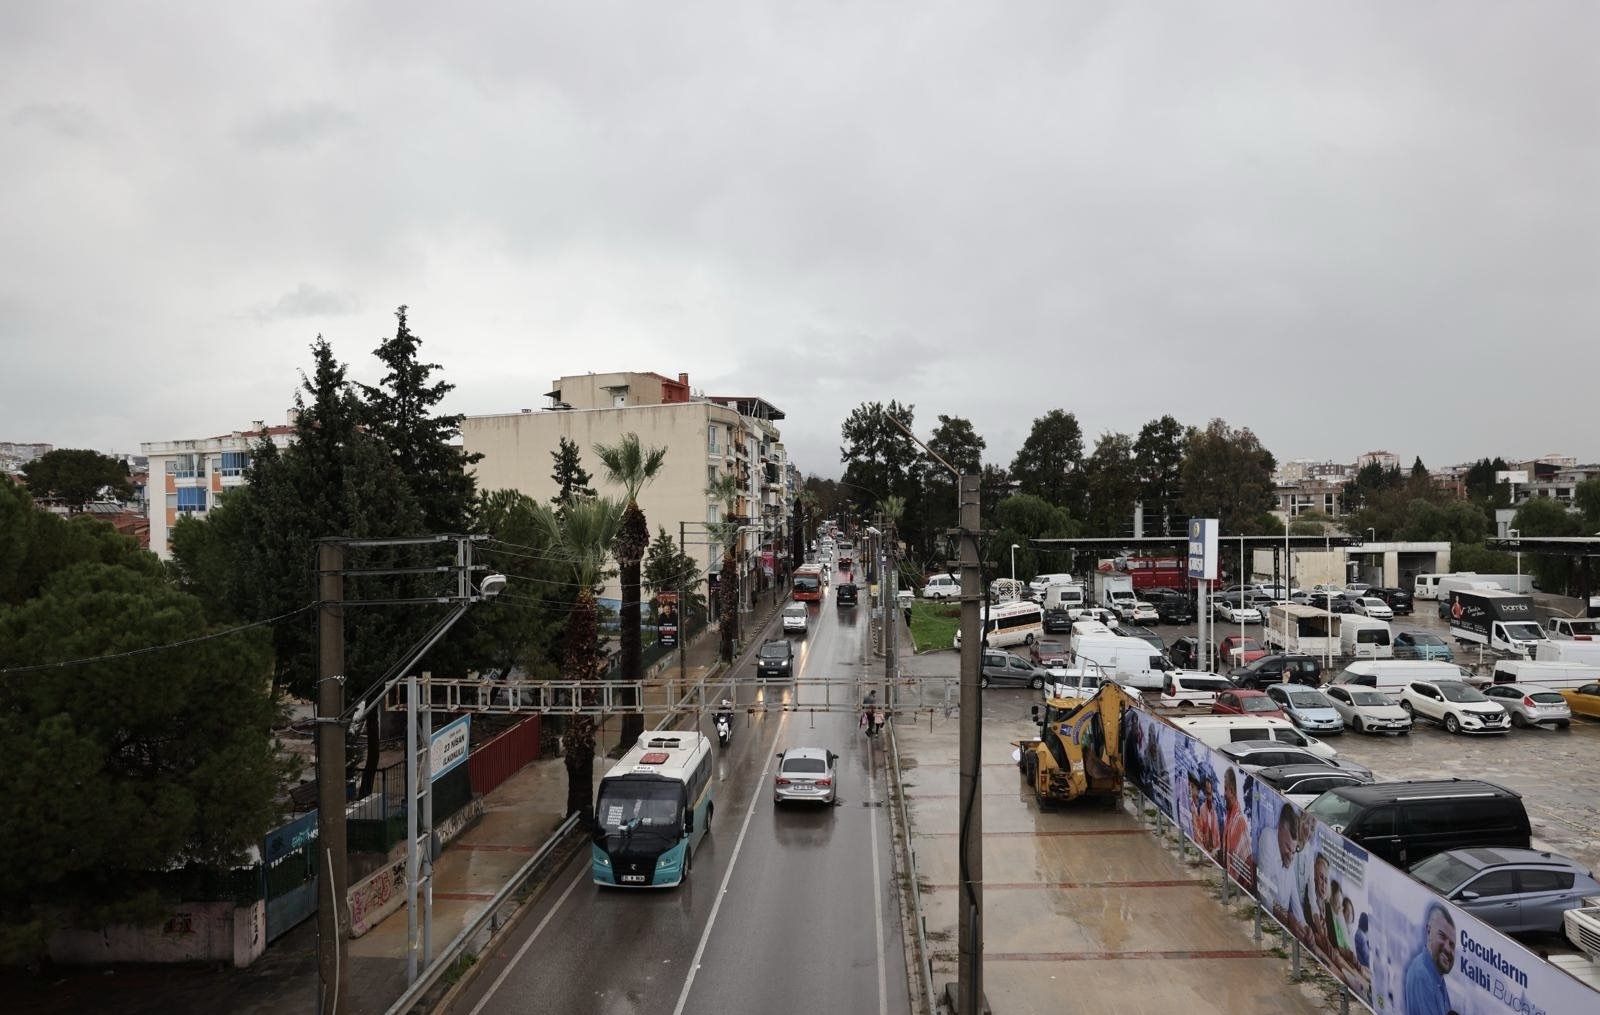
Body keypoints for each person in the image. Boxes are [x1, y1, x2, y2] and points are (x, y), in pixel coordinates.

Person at [1403, 902, 1455, 1015]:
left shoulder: (1437, 977)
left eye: (1452, 944)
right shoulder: (1422, 975)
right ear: (1429, 932)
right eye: (1442, 936)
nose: (1448, 948)